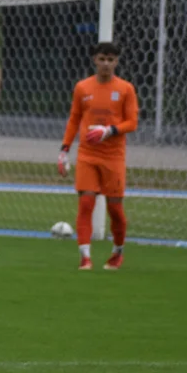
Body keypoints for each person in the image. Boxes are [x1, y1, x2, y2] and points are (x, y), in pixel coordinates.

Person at [58, 41, 139, 270]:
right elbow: (74, 119)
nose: (106, 64)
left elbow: (132, 122)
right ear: (94, 60)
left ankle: (118, 252)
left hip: (113, 156)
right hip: (88, 155)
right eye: (102, 59)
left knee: (115, 209)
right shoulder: (83, 88)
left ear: (117, 62)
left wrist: (109, 131)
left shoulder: (125, 89)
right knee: (86, 203)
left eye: (111, 60)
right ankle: (85, 258)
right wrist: (64, 149)